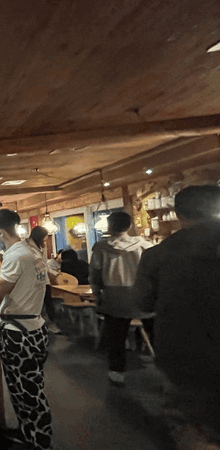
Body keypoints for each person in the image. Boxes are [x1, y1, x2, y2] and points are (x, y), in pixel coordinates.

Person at [135, 185, 220, 448]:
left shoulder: (157, 254)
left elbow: (142, 303)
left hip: (184, 352)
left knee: (191, 425)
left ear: (178, 214)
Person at [0, 209, 52, 450]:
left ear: (0, 232)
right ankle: (29, 433)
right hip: (35, 327)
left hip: (19, 333)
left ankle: (41, 442)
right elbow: (17, 283)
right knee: (25, 388)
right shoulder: (31, 250)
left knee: (29, 392)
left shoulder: (15, 255)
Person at [89, 212, 153, 386]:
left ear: (109, 227)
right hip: (142, 295)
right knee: (156, 335)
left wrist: (97, 294)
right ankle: (167, 373)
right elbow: (152, 272)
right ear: (130, 225)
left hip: (114, 296)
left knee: (116, 337)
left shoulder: (101, 247)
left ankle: (117, 372)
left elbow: (95, 275)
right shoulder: (145, 245)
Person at [28, 226, 61, 334]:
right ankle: (41, 326)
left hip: (44, 282)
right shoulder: (29, 249)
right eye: (44, 239)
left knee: (48, 304)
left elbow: (45, 266)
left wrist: (56, 274)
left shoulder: (40, 249)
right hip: (35, 283)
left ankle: (49, 325)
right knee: (39, 305)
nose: (45, 242)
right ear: (39, 238)